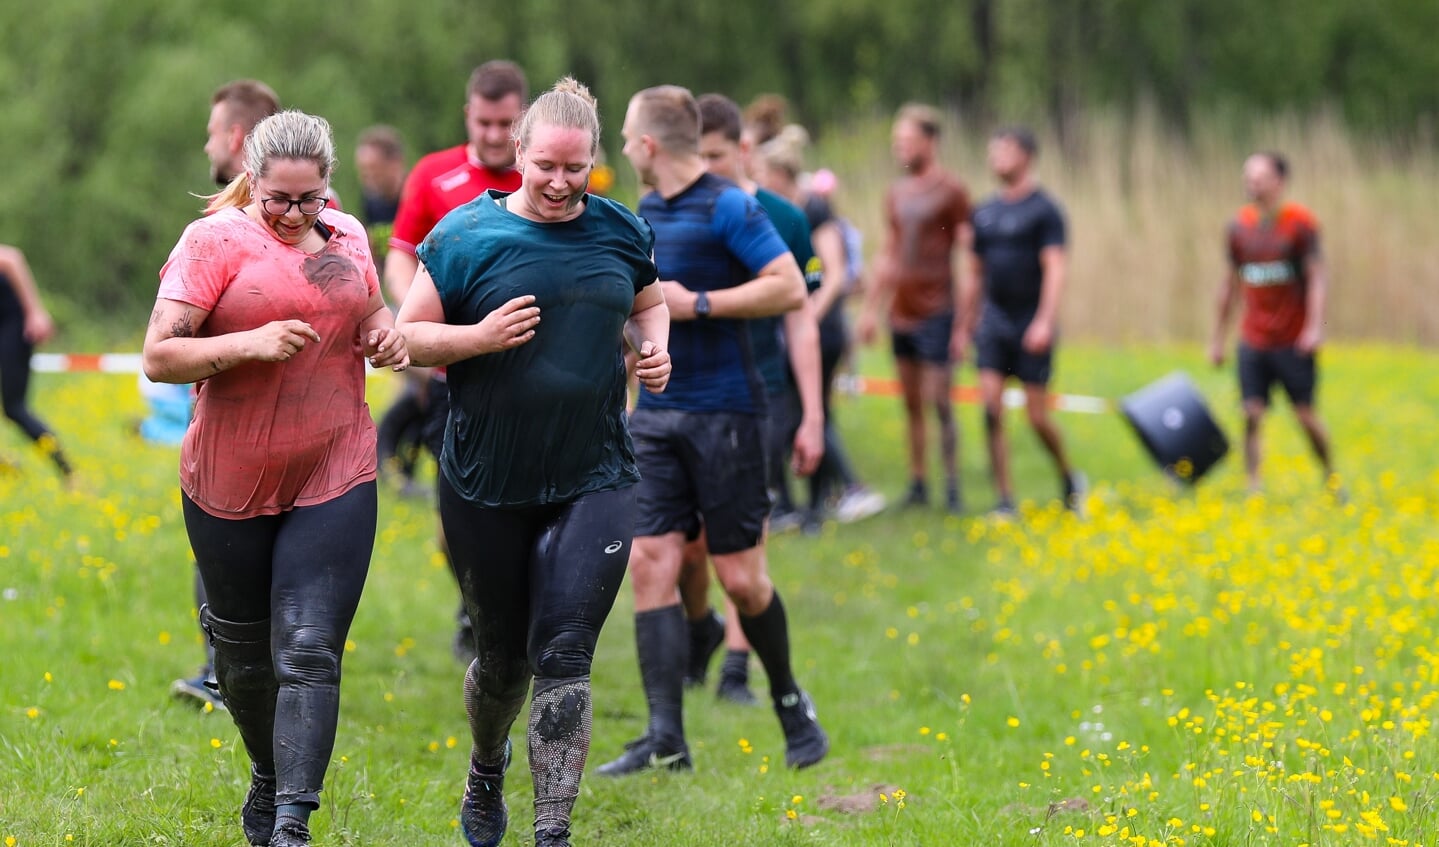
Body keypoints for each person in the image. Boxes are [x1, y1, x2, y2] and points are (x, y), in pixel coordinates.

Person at [395, 77, 671, 847]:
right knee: (503, 660)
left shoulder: (622, 232)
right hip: (486, 482)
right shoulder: (462, 236)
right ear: (515, 153)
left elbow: (648, 302)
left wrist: (653, 350)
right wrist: (477, 338)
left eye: (574, 169)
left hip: (594, 474)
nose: (558, 182)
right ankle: (486, 767)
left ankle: (553, 830)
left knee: (565, 651)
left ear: (594, 165)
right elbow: (403, 339)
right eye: (544, 165)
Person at [142, 109, 409, 847]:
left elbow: (374, 317)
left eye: (310, 198)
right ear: (250, 180)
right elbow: (159, 356)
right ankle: (266, 771)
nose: (294, 214)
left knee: (312, 648)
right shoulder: (212, 241)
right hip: (229, 473)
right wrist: (248, 342)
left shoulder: (349, 236)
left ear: (329, 186)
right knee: (244, 661)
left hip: (335, 462)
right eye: (279, 199)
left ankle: (293, 820)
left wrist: (384, 336)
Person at [598, 84, 828, 776]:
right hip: (657, 415)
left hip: (729, 412)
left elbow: (788, 286)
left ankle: (789, 702)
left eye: (625, 137)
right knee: (650, 562)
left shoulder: (729, 204)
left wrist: (695, 303)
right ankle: (665, 735)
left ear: (646, 145)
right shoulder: (641, 213)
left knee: (742, 577)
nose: (621, 148)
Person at [676, 92, 825, 705]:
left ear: (742, 149)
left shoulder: (783, 218)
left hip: (755, 394)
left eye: (716, 154)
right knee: (688, 547)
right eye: (697, 155)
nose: (706, 168)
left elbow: (801, 321)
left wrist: (813, 415)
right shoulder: (674, 212)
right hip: (683, 395)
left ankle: (738, 666)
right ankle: (700, 627)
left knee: (743, 538)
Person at [384, 59, 528, 663]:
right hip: (451, 379)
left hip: (526, 379)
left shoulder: (547, 173)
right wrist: (413, 323)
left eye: (507, 122)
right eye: (486, 122)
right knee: (454, 523)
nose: (497, 135)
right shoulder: (433, 175)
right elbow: (398, 259)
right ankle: (477, 606)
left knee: (525, 506)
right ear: (468, 114)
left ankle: (520, 618)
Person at [171, 79, 285, 712]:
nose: (208, 142)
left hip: (241, 425)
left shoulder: (224, 226)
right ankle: (262, 667)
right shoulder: (327, 214)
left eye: (214, 130)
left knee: (222, 549)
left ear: (238, 137)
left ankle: (226, 671)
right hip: (312, 427)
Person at [755, 125, 887, 530]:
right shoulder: (774, 212)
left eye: (765, 174)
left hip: (819, 331)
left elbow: (836, 273)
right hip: (790, 328)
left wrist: (809, 312)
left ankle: (832, 496)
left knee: (812, 414)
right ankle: (804, 505)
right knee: (796, 415)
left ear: (780, 175)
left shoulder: (813, 211)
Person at [856, 103, 972, 513]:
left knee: (941, 400)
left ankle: (953, 485)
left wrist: (964, 323)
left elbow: (969, 256)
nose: (899, 149)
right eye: (896, 143)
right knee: (911, 404)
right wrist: (871, 309)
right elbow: (888, 253)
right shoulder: (896, 194)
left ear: (930, 141)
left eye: (906, 141)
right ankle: (919, 482)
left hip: (937, 312)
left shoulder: (952, 191)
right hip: (901, 314)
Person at [963, 127, 1084, 515]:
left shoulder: (1045, 211)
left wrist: (1044, 321)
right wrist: (964, 324)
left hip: (1031, 322)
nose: (996, 158)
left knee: (1036, 417)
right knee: (991, 409)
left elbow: (1056, 269)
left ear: (1027, 156)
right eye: (992, 151)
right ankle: (1004, 499)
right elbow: (975, 273)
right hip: (993, 323)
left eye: (1005, 151)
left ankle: (1068, 476)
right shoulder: (983, 211)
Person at [1209, 151, 1336, 494]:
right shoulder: (1238, 226)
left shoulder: (1299, 224)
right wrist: (1218, 339)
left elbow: (1317, 278)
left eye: (1259, 177)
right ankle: (1254, 485)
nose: (1251, 184)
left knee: (1305, 416)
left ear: (1279, 181)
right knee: (1251, 412)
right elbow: (1229, 285)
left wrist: (1314, 327)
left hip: (1292, 340)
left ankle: (1330, 476)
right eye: (1247, 176)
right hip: (1253, 338)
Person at [354, 125, 426, 495]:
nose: (368, 179)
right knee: (412, 379)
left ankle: (404, 459)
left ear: (395, 163)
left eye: (374, 170)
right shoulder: (373, 201)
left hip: (423, 294)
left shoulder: (413, 195)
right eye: (363, 171)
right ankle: (402, 466)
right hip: (392, 295)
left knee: (421, 379)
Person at [0, 244, 73, 478]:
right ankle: (7, 466)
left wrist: (35, 312)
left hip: (13, 325)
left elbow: (11, 258)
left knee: (14, 408)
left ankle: (67, 471)